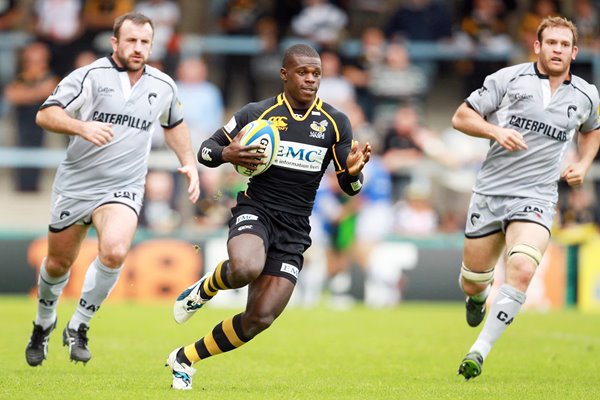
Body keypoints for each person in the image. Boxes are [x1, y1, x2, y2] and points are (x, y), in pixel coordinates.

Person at [166, 43, 371, 390]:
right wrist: (227, 153)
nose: (310, 79)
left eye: (316, 73)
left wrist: (353, 174)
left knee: (259, 318)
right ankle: (207, 287)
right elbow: (206, 150)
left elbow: (349, 187)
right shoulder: (256, 112)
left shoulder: (335, 123)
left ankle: (184, 359)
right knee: (246, 268)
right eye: (303, 72)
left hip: (295, 227)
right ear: (284, 75)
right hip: (256, 210)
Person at [24, 12, 200, 367]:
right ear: (115, 42)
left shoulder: (163, 84)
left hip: (123, 186)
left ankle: (79, 325)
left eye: (145, 42)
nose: (138, 48)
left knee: (116, 250)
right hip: (77, 184)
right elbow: (45, 114)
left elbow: (174, 124)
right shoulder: (88, 76)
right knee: (58, 264)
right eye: (131, 40)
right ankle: (44, 323)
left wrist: (189, 161)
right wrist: (81, 127)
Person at [452, 16, 600, 380]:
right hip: (490, 193)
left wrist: (583, 162)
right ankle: (477, 298)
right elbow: (460, 117)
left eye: (565, 45)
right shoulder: (508, 79)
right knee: (473, 281)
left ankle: (478, 352)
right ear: (538, 46)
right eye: (551, 43)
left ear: (574, 51)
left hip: (537, 197)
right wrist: (494, 131)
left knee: (521, 268)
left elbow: (592, 131)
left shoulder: (586, 94)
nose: (558, 50)